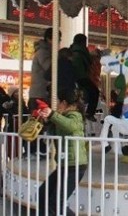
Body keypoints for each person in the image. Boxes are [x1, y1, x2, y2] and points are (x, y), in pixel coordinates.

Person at [37, 88, 88, 216]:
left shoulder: (75, 115)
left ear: (64, 103)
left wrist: (52, 115)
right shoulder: (63, 117)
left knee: (56, 203)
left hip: (75, 165)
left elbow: (70, 126)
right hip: (65, 164)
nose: (57, 105)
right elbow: (53, 130)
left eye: (58, 102)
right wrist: (46, 119)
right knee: (44, 193)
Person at [29, 28, 59, 112]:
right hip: (40, 94)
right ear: (49, 39)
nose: (58, 43)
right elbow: (49, 68)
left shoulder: (46, 52)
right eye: (57, 40)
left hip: (41, 93)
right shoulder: (43, 52)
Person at [70, 33, 99, 121]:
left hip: (78, 77)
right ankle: (89, 113)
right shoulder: (81, 52)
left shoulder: (75, 51)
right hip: (81, 77)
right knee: (94, 92)